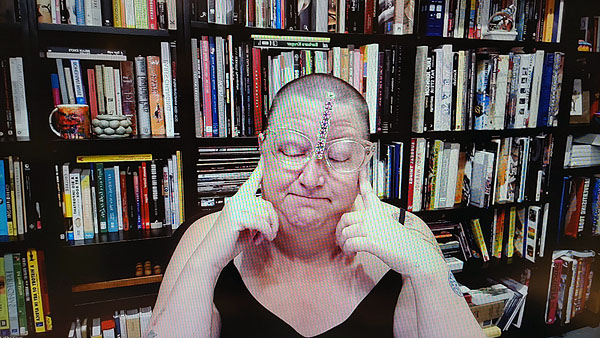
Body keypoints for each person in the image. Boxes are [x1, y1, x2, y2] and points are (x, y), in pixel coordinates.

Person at [146, 74, 485, 337]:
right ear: (263, 149)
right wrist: (206, 263)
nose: (311, 178)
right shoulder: (206, 235)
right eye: (291, 150)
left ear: (363, 161)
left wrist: (428, 272)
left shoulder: (406, 235)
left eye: (338, 157)